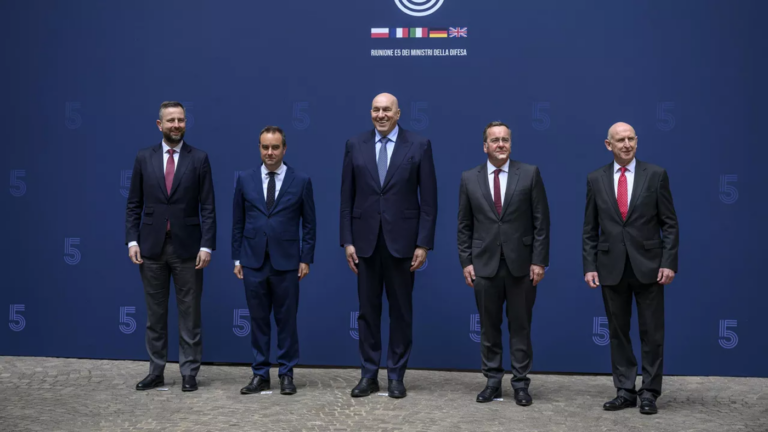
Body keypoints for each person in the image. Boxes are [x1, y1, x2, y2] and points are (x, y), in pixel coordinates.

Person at [340, 93, 438, 398]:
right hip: (365, 243)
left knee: (401, 312)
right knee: (367, 313)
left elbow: (429, 202)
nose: (381, 115)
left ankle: (396, 375)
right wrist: (347, 241)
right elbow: (346, 199)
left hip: (403, 244)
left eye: (386, 110)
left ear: (398, 114)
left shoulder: (419, 145)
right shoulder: (354, 144)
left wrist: (423, 243)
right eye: (376, 110)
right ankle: (368, 375)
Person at [582, 122, 679, 415]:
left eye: (631, 139)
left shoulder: (656, 175)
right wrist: (590, 265)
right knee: (618, 333)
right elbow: (590, 228)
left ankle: (649, 392)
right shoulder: (595, 178)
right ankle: (625, 390)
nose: (626, 144)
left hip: (650, 267)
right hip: (611, 267)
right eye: (620, 140)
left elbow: (670, 224)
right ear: (608, 145)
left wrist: (668, 262)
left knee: (652, 333)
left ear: (637, 141)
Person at [125, 101, 216, 392]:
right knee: (155, 316)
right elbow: (134, 203)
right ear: (159, 125)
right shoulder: (144, 157)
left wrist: (207, 246)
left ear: (186, 123)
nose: (176, 125)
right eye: (171, 120)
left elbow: (208, 207)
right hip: (151, 248)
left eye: (180, 120)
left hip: (188, 249)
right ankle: (156, 371)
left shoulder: (199, 158)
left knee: (190, 315)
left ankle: (189, 372)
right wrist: (132, 240)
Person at [457, 121, 550, 405]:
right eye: (495, 140)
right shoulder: (469, 178)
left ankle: (520, 384)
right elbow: (464, 225)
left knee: (521, 327)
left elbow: (541, 222)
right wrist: (466, 261)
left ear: (510, 143)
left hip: (522, 266)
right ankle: (493, 382)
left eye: (505, 139)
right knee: (489, 328)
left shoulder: (530, 173)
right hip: (483, 266)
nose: (501, 144)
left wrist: (539, 261)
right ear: (485, 146)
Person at [232, 126, 316, 396]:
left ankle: (286, 373)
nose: (270, 152)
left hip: (287, 263)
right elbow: (238, 222)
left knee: (286, 321)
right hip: (253, 261)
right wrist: (237, 258)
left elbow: (309, 224)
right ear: (259, 148)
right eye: (265, 147)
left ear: (284, 149)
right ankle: (260, 374)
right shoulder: (245, 179)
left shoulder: (301, 180)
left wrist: (306, 258)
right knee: (258, 321)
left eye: (275, 147)